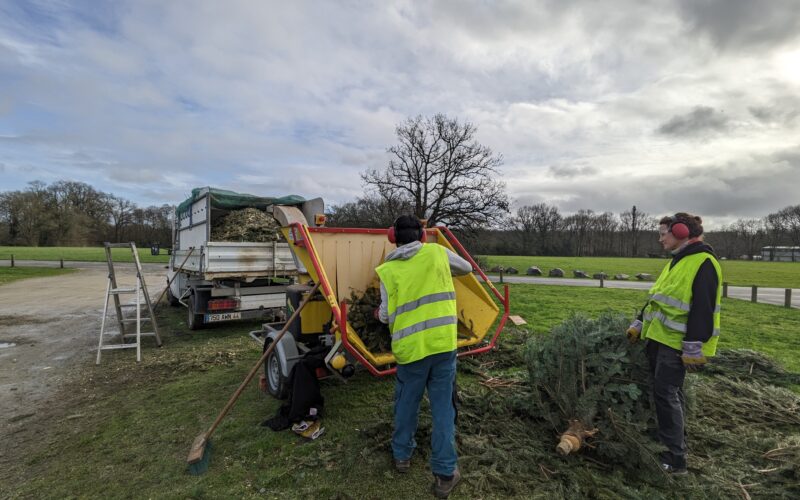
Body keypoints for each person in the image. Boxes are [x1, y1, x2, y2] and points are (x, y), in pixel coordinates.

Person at [375, 215, 472, 499]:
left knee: (407, 403)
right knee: (443, 409)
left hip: (410, 352)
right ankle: (445, 473)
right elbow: (466, 268)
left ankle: (402, 456)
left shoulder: (387, 270)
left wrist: (379, 314)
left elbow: (383, 315)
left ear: (393, 237)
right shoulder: (437, 253)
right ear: (423, 235)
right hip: (443, 347)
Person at [627, 212, 722, 475]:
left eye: (662, 234)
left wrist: (693, 346)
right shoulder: (676, 262)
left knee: (666, 395)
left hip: (676, 343)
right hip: (658, 337)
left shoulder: (703, 262)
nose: (659, 239)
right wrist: (638, 322)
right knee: (668, 394)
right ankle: (673, 443)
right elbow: (657, 297)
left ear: (680, 232)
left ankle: (675, 459)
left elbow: (703, 308)